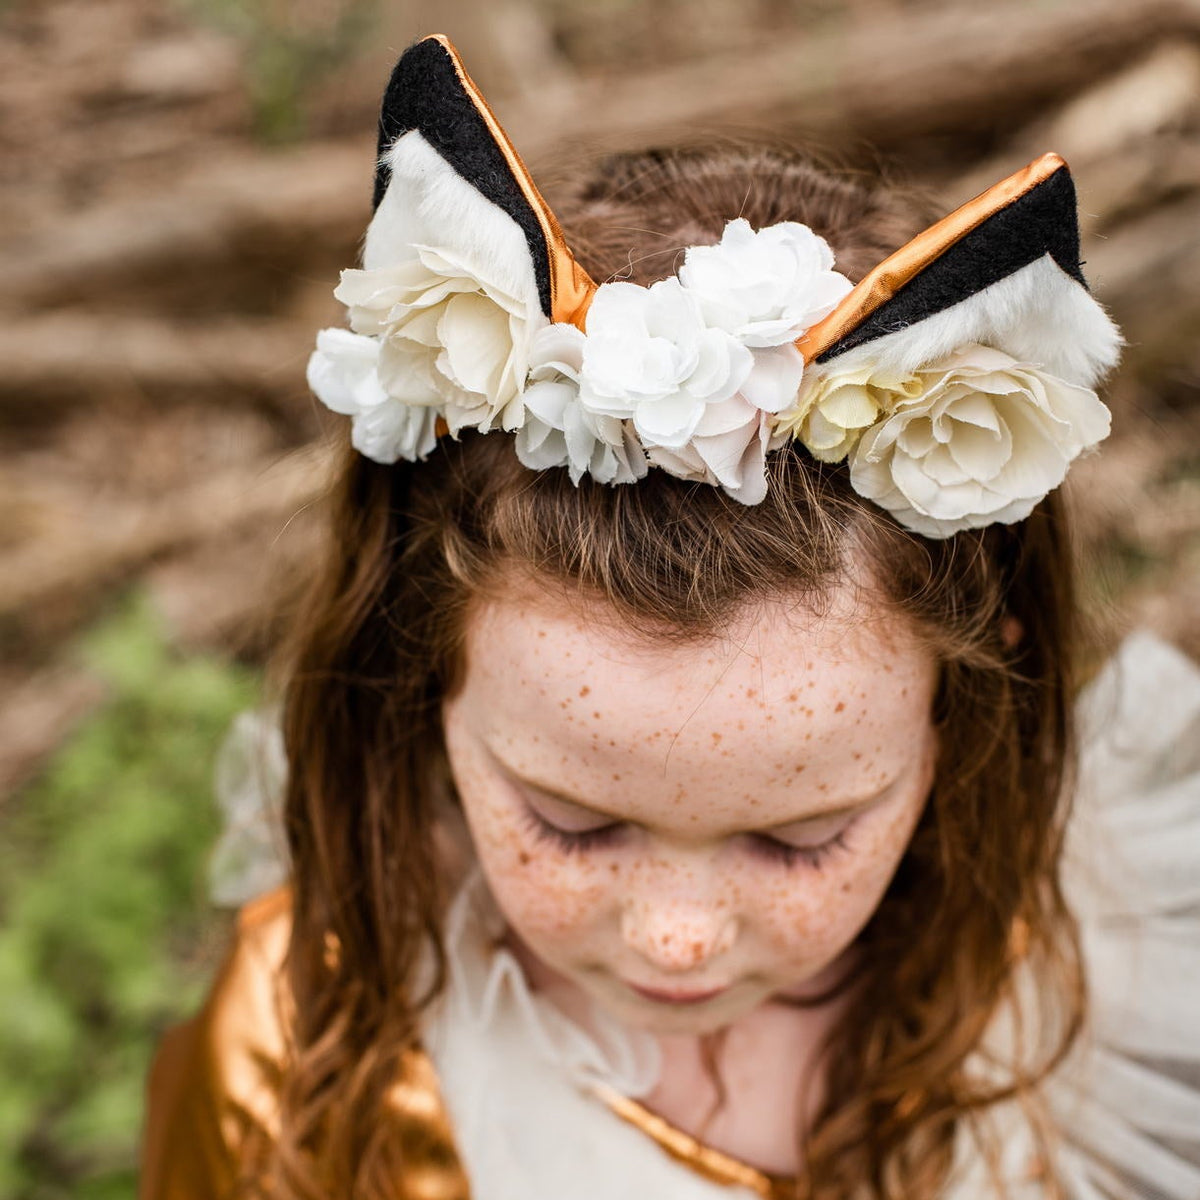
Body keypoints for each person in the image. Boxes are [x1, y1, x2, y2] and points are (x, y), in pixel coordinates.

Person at [139, 34, 1200, 1200]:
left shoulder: (1119, 988)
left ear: (974, 692)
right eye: (572, 824)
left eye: (802, 838)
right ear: (419, 662)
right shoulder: (300, 1055)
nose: (676, 938)